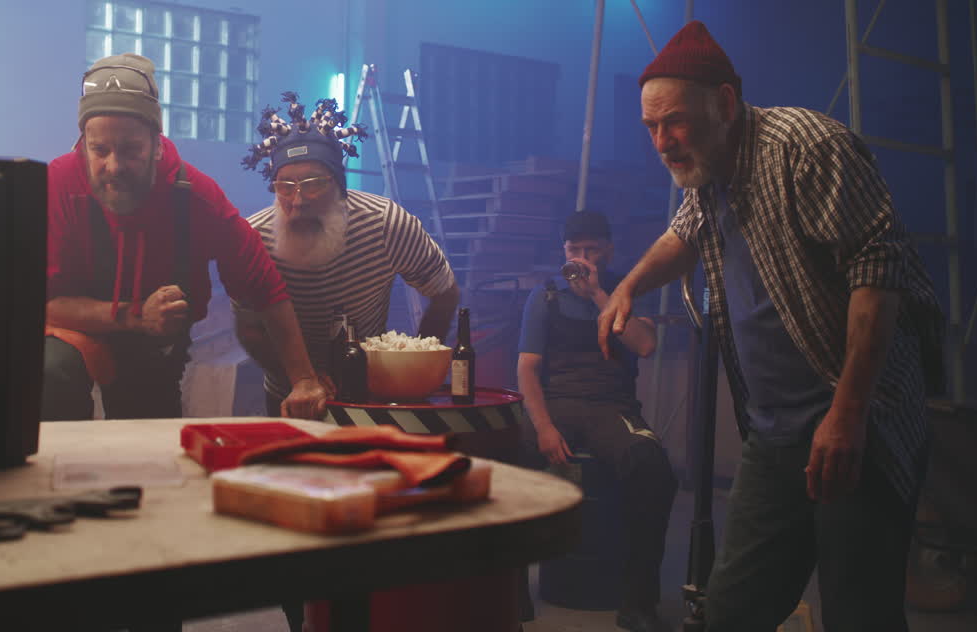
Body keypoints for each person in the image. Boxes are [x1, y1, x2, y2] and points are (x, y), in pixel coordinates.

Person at [598, 21, 945, 631]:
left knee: (859, 613)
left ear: (726, 102)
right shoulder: (710, 173)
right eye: (651, 126)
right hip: (776, 434)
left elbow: (878, 268)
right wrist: (628, 284)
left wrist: (848, 414)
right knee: (734, 610)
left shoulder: (807, 147)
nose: (661, 141)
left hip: (857, 425)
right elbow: (685, 234)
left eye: (673, 121)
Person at [43, 54, 328, 422]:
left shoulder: (196, 196)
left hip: (154, 350)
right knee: (52, 373)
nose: (113, 166)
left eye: (131, 150)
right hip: (74, 336)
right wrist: (135, 315)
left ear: (157, 144)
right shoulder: (59, 184)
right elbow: (38, 304)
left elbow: (265, 289)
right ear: (83, 143)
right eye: (100, 150)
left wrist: (304, 380)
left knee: (149, 443)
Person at [233, 92, 461, 416]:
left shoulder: (385, 224)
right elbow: (250, 329)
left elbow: (445, 292)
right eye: (285, 187)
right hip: (290, 397)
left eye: (313, 184)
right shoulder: (253, 239)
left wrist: (413, 366)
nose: (298, 201)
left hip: (369, 393)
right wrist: (301, 378)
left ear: (339, 186)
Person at [516, 210, 675, 632]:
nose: (582, 258)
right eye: (574, 250)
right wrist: (545, 427)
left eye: (591, 250)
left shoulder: (626, 289)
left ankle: (638, 603)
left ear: (606, 250)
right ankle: (511, 592)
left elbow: (643, 346)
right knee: (509, 457)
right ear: (563, 252)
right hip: (559, 403)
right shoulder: (545, 295)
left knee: (652, 466)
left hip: (612, 407)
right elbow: (528, 369)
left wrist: (601, 296)